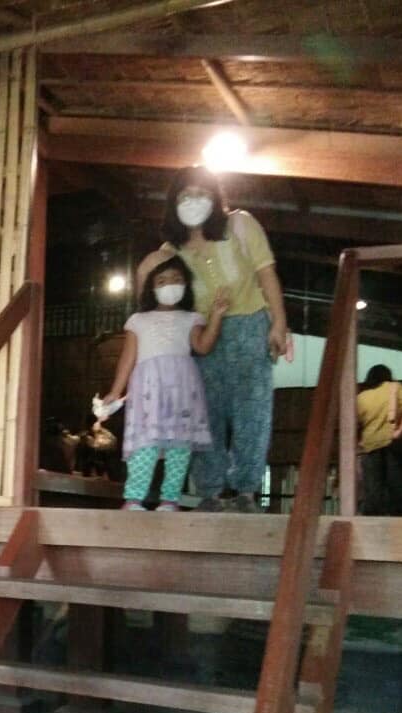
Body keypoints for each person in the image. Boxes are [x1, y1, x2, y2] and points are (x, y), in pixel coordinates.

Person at [136, 166, 289, 512]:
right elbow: (149, 298)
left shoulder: (240, 225)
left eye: (202, 193)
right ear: (173, 203)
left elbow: (266, 274)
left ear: (216, 198)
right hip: (200, 336)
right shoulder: (169, 252)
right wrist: (146, 268)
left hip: (250, 326)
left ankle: (247, 491)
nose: (194, 201)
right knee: (203, 414)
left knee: (253, 412)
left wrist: (279, 323)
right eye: (185, 195)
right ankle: (210, 491)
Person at [97, 255, 226, 511]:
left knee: (180, 445)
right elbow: (127, 358)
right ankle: (134, 499)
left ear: (186, 285)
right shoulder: (138, 320)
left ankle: (170, 500)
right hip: (148, 389)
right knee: (145, 443)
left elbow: (203, 346)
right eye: (162, 281)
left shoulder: (192, 318)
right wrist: (115, 391)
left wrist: (217, 317)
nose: (170, 285)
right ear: (151, 288)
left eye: (177, 279)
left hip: (182, 390)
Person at [356, 363, 402, 516]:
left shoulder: (361, 397)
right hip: (394, 444)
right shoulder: (396, 388)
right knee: (397, 486)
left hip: (370, 446)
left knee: (373, 488)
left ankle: (373, 519)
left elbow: (356, 423)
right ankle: (399, 519)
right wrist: (399, 433)